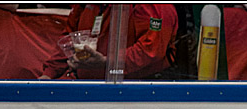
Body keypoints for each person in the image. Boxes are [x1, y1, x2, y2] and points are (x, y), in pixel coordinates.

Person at [39, 4, 178, 80]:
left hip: (137, 94)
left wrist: (108, 62)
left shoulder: (155, 6)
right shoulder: (84, 5)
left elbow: (150, 51)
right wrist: (48, 75)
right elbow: (69, 40)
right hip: (85, 88)